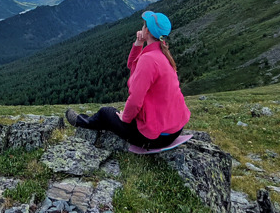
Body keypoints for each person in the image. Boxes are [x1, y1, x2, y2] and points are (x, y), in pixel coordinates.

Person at [65, 11, 190, 149]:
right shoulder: (162, 53)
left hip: (155, 137)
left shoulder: (148, 60)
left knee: (105, 113)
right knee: (122, 112)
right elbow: (132, 66)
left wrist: (125, 118)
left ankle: (80, 121)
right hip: (174, 130)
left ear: (146, 30)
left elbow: (136, 100)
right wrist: (139, 43)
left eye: (144, 25)